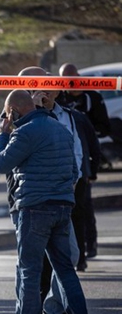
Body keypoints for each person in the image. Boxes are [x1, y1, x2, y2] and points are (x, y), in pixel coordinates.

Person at [0, 90, 94, 314]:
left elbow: (1, 164)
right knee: (65, 271)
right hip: (62, 208)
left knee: (29, 272)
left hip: (33, 209)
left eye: (8, 113)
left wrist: (2, 134)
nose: (7, 118)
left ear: (14, 111)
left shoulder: (24, 133)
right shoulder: (59, 128)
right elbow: (74, 170)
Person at [58, 63, 107, 260]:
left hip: (83, 159)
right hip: (63, 159)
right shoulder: (59, 98)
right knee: (69, 208)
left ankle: (89, 244)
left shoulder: (92, 98)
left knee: (84, 206)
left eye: (72, 78)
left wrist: (92, 168)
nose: (69, 84)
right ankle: (74, 250)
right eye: (64, 80)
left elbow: (104, 128)